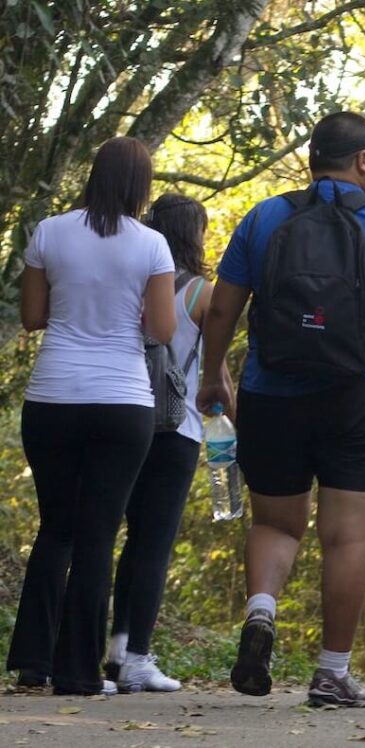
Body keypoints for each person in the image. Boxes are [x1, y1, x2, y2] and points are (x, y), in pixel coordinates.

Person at [196, 111, 365, 706]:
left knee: (273, 523)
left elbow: (221, 309)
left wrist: (213, 376)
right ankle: (331, 672)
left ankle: (262, 613)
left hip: (271, 392)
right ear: (363, 160)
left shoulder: (264, 218)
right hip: (358, 398)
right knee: (346, 539)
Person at [5, 136, 176, 696]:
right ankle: (79, 673)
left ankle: (33, 660)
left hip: (52, 397)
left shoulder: (51, 232)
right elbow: (161, 330)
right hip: (121, 401)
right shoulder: (151, 245)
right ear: (140, 185)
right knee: (99, 534)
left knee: (56, 529)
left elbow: (32, 316)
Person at [104, 194, 234, 693]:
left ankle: (117, 649)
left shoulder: (134, 280)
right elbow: (217, 368)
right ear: (193, 234)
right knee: (152, 544)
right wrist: (231, 430)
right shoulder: (203, 293)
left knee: (122, 539)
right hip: (177, 429)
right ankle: (138, 655)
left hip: (124, 413)